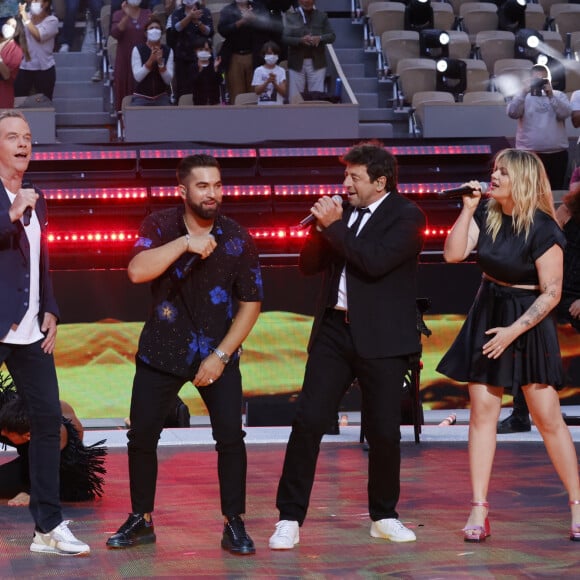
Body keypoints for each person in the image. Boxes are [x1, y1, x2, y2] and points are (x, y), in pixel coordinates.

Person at [268, 141, 426, 550]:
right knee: (308, 421)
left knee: (384, 431)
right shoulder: (344, 214)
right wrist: (323, 229)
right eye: (345, 176)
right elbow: (308, 266)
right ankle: (289, 517)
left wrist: (335, 227)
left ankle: (384, 515)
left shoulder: (406, 216)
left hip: (383, 337)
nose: (346, 184)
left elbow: (373, 262)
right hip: (335, 332)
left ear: (380, 181)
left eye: (354, 177)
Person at [106, 154, 263, 555]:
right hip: (162, 348)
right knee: (142, 436)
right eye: (203, 186)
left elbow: (251, 302)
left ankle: (234, 523)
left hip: (217, 353)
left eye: (217, 185)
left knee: (230, 437)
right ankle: (141, 518)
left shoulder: (237, 237)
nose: (212, 193)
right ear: (183, 191)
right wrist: (183, 244)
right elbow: (137, 271)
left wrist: (222, 355)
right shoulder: (159, 226)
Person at [436, 148, 580, 542]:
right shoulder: (486, 213)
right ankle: (479, 509)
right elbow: (453, 255)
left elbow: (551, 294)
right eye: (494, 170)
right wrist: (466, 209)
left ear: (524, 179)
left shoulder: (544, 228)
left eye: (503, 172)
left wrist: (512, 331)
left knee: (547, 418)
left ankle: (578, 503)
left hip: (527, 319)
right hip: (489, 311)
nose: (493, 177)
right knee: (482, 414)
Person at [0, 110, 90, 555]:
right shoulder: (11, 202)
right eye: (12, 137)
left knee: (47, 421)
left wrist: (50, 308)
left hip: (32, 331)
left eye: (28, 137)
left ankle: (47, 528)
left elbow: (41, 263)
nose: (23, 144)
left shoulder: (39, 199)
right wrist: (9, 215)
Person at [497, 180, 580, 434]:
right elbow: (546, 244)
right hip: (554, 287)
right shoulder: (570, 209)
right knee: (525, 332)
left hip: (577, 295)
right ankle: (521, 413)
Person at [0, 373, 107, 506]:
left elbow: (50, 473)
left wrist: (33, 492)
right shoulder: (12, 408)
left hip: (60, 469)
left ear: (28, 436)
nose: (2, 433)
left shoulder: (56, 439)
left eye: (6, 433)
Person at [506, 63, 571, 191]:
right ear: (529, 80)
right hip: (529, 154)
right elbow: (512, 113)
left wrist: (551, 95)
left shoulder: (558, 95)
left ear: (548, 80)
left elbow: (565, 113)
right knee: (528, 192)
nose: (539, 83)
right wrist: (523, 91)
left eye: (543, 80)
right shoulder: (522, 96)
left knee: (555, 191)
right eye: (536, 80)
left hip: (556, 154)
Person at [217, 0, 270, 105]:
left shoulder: (259, 7)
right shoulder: (227, 10)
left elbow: (268, 26)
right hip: (234, 56)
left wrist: (254, 19)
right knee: (237, 93)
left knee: (254, 92)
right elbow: (222, 30)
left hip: (255, 56)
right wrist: (241, 21)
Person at [282, 0, 335, 102]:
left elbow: (332, 36)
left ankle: (316, 117)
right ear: (299, 1)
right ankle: (294, 117)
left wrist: (320, 38)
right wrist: (300, 40)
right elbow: (285, 38)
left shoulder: (322, 16)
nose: (306, 1)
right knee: (295, 96)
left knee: (317, 96)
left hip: (317, 62)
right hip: (296, 62)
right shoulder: (291, 17)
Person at [166, 0, 213, 102]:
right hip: (183, 58)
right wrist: (189, 17)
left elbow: (209, 31)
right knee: (184, 90)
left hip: (202, 57)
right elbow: (176, 29)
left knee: (203, 89)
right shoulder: (177, 13)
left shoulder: (205, 12)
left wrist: (198, 22)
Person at [110, 0, 152, 113]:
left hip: (143, 60)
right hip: (125, 59)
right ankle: (123, 124)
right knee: (124, 93)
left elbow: (153, 34)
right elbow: (115, 33)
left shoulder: (147, 13)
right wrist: (127, 15)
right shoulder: (118, 14)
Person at [14, 0, 59, 101]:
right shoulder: (25, 16)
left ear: (46, 3)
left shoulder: (52, 21)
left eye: (37, 0)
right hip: (23, 68)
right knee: (19, 103)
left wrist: (26, 19)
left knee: (42, 106)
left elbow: (39, 36)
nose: (33, 2)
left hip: (44, 70)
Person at [130, 15, 174, 105]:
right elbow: (138, 77)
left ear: (161, 32)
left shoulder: (168, 50)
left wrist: (161, 64)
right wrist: (150, 61)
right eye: (151, 28)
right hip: (141, 97)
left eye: (157, 28)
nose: (154, 30)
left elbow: (168, 80)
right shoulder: (138, 49)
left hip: (161, 97)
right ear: (146, 33)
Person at [0, 16, 26, 108]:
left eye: (13, 26)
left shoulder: (17, 50)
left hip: (3, 94)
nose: (8, 27)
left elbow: (7, 75)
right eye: (7, 24)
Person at [252, 40, 287, 105]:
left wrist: (274, 83)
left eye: (275, 54)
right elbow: (257, 91)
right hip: (262, 108)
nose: (272, 56)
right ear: (264, 55)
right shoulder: (258, 70)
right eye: (269, 53)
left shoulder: (281, 71)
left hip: (278, 108)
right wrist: (267, 81)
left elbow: (284, 92)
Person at [191, 37, 222, 105]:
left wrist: (216, 69)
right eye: (201, 50)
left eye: (206, 50)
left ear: (210, 51)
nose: (204, 52)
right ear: (195, 51)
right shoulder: (193, 66)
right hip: (199, 104)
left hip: (214, 103)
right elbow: (192, 83)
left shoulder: (214, 64)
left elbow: (220, 81)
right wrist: (200, 69)